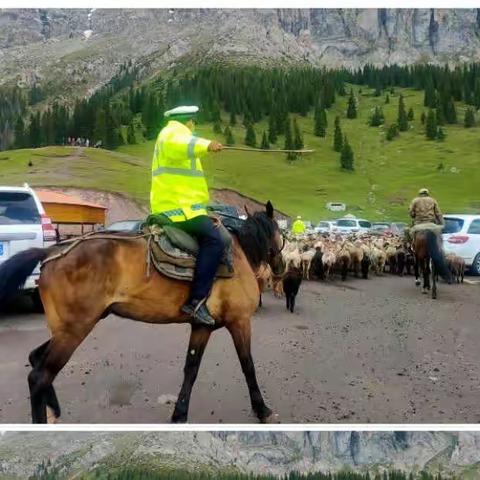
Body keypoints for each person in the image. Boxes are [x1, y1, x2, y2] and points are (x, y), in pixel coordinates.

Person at [150, 105, 223, 326]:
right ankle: (196, 301)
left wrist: (205, 211)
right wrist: (207, 145)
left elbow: (190, 187)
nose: (194, 126)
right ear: (187, 121)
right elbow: (184, 144)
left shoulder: (174, 135)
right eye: (193, 122)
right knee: (214, 241)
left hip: (186, 208)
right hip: (176, 209)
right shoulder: (172, 134)